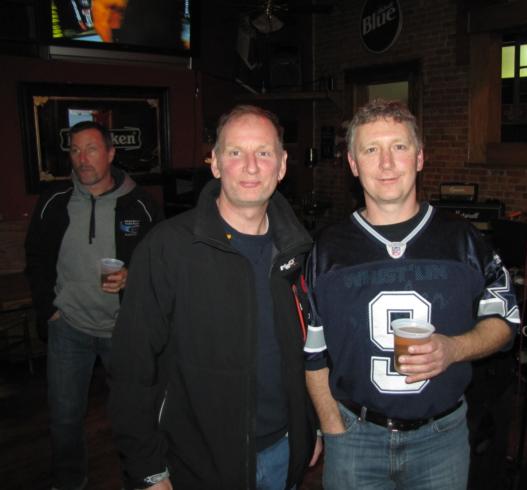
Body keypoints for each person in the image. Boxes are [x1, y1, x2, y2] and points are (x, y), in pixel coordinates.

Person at [303, 99, 521, 490]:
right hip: (354, 438)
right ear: (353, 164)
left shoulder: (463, 241)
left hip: (442, 440)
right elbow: (312, 351)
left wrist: (453, 349)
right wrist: (332, 427)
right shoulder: (327, 250)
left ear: (419, 158)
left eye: (399, 147)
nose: (386, 163)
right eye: (371, 149)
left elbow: (505, 321)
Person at [109, 105, 317, 489]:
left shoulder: (298, 249)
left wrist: (310, 426)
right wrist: (147, 468)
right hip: (197, 463)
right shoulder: (168, 247)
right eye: (236, 152)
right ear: (216, 164)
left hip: (284, 452)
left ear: (282, 165)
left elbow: (309, 350)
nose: (251, 166)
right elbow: (132, 365)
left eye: (264, 152)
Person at [24, 120, 163, 490]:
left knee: (134, 416)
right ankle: (69, 481)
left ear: (111, 154)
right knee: (64, 418)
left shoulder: (140, 203)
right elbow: (35, 257)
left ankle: (141, 480)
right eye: (75, 150)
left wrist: (133, 275)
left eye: (91, 149)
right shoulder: (54, 200)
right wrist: (50, 310)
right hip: (69, 326)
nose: (82, 159)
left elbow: (161, 261)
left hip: (123, 329)